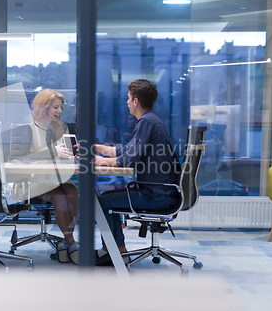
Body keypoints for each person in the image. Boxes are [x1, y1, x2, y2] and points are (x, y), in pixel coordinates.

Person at [93, 79, 181, 266]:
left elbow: (129, 159)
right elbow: (127, 150)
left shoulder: (147, 122)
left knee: (102, 202)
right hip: (160, 191)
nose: (126, 102)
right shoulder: (151, 120)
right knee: (107, 199)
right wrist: (99, 148)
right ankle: (117, 250)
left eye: (128, 98)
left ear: (135, 101)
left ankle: (113, 250)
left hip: (157, 195)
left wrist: (101, 161)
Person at [18, 89, 80, 264]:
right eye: (55, 107)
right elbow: (21, 159)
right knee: (60, 197)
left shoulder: (60, 127)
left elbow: (64, 155)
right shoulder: (28, 128)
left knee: (73, 192)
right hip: (33, 180)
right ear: (44, 107)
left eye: (60, 107)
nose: (59, 111)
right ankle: (71, 243)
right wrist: (52, 151)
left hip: (54, 178)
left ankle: (67, 243)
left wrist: (72, 155)